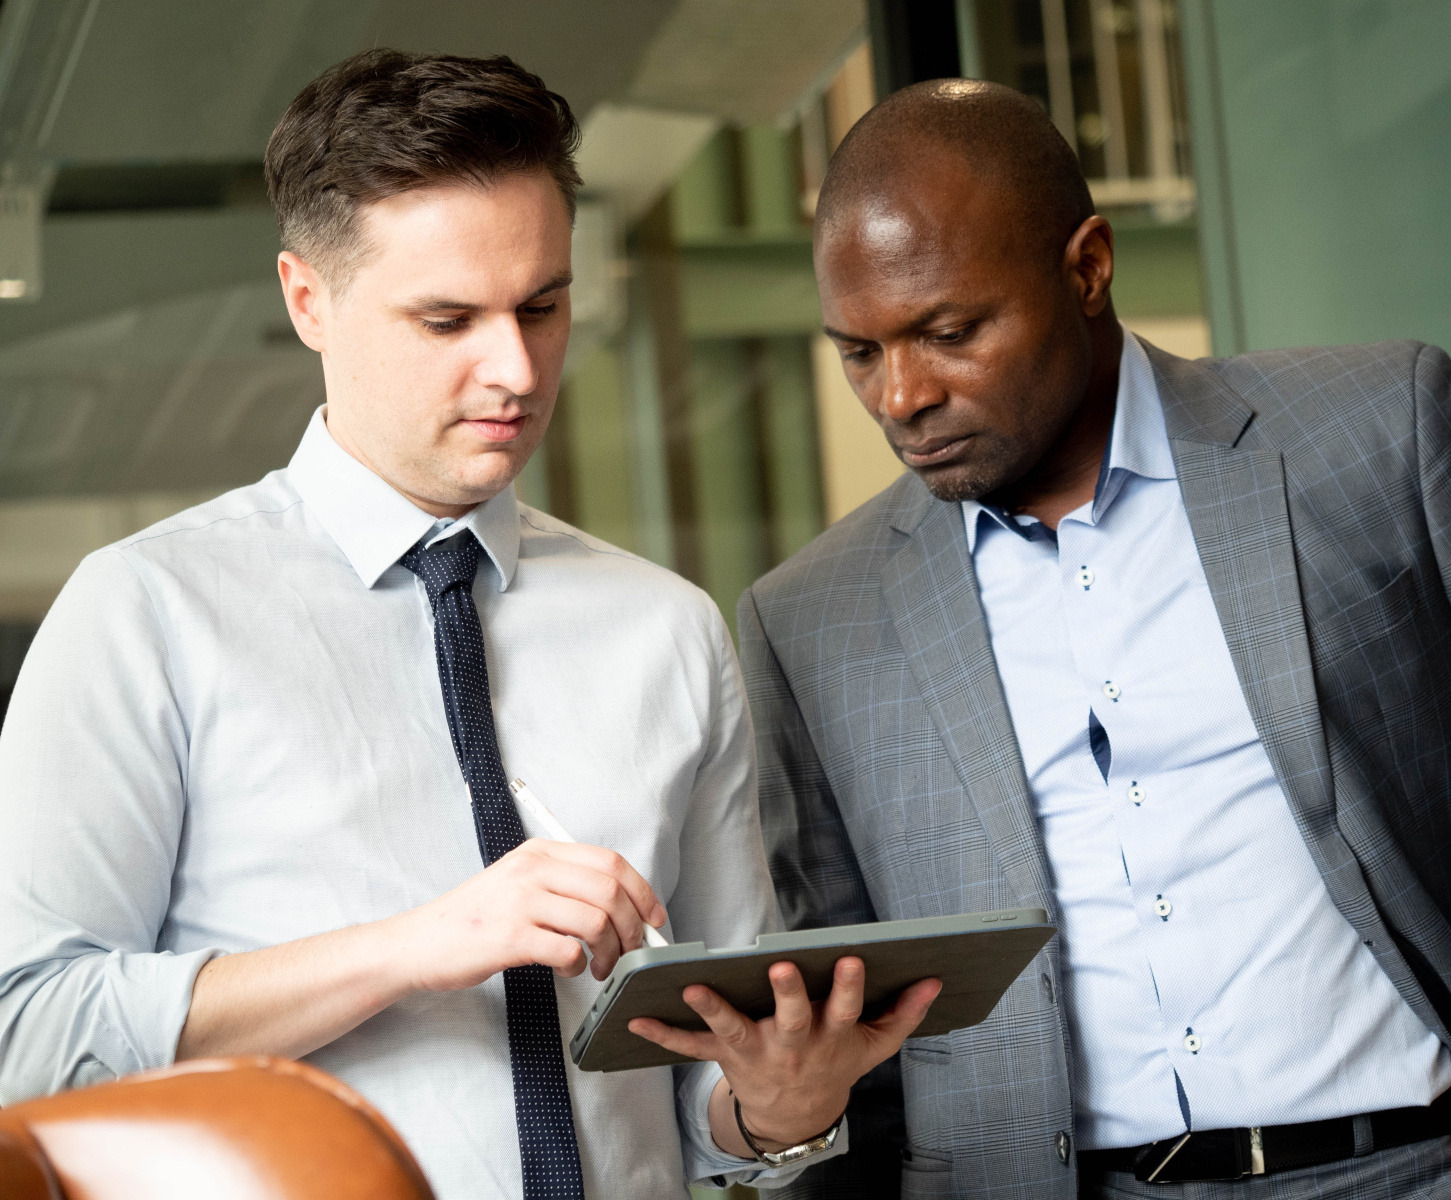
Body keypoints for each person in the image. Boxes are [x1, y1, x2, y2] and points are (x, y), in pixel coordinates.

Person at [0, 50, 941, 1199]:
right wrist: (413, 947)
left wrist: (777, 1108)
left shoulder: (666, 631)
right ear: (308, 300)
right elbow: (26, 1035)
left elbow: (711, 1086)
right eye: (446, 319)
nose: (515, 368)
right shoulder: (146, 614)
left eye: (541, 306)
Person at [739, 79, 1451, 1200]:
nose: (901, 395)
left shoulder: (1374, 437)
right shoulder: (811, 619)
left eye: (950, 332)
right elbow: (852, 1040)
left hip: (1424, 1165)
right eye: (857, 352)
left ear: (1086, 267)